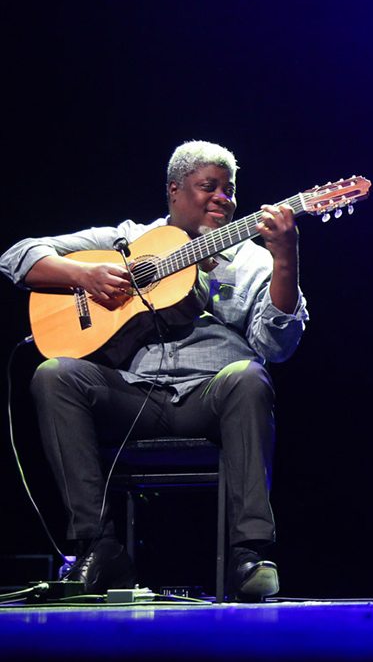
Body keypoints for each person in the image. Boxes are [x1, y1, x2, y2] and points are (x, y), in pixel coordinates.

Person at [0, 140, 308, 601]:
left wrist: (285, 256)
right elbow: (17, 256)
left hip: (210, 397)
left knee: (250, 375)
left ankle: (248, 555)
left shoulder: (249, 258)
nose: (223, 197)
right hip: (130, 396)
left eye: (230, 189)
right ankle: (98, 546)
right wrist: (84, 276)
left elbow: (277, 346)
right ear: (175, 190)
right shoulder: (127, 241)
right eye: (209, 186)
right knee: (53, 374)